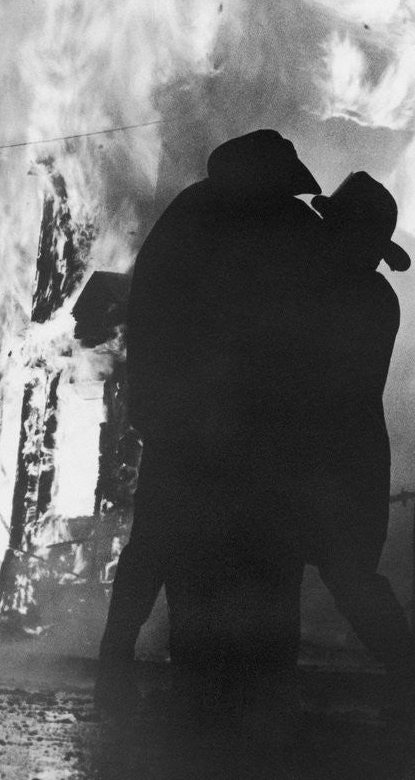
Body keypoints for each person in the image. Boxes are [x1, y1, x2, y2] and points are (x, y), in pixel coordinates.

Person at [95, 129, 324, 712]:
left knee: (173, 544)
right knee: (188, 546)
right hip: (216, 425)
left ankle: (167, 666)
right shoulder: (249, 226)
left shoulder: (192, 220)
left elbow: (149, 315)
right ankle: (220, 678)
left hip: (206, 423)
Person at [291, 171, 415, 718]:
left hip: (328, 452)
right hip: (354, 452)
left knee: (319, 569)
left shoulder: (341, 294)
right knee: (349, 575)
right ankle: (413, 682)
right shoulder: (374, 295)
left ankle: (412, 682)